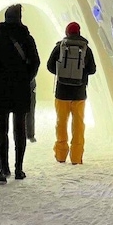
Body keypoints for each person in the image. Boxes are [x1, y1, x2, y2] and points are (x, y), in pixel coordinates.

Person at [0, 3, 40, 185]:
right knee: (20, 128)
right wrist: (25, 78)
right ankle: (19, 168)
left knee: (1, 130)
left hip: (0, 90)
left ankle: (3, 169)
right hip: (20, 89)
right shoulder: (27, 39)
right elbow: (35, 62)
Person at [47, 21, 97, 165]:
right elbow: (92, 69)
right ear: (79, 32)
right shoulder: (86, 49)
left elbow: (50, 65)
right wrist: (81, 73)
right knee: (78, 124)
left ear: (67, 32)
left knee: (61, 123)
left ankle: (61, 154)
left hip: (61, 93)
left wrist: (62, 73)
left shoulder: (60, 47)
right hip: (79, 93)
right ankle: (76, 157)